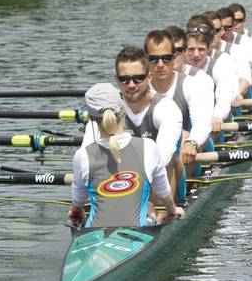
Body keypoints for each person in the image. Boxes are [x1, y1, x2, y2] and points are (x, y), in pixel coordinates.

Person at [69, 83, 182, 228]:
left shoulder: (82, 155)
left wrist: (76, 212)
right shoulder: (149, 147)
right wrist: (173, 210)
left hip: (93, 234)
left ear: (91, 117)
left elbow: (78, 200)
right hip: (138, 235)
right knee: (148, 207)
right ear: (122, 109)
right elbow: (163, 191)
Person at [145, 29, 213, 203]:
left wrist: (192, 142)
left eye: (166, 58)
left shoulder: (192, 84)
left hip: (184, 158)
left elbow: (203, 122)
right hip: (145, 162)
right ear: (146, 60)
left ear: (174, 57)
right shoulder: (136, 86)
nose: (160, 64)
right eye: (153, 59)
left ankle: (164, 208)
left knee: (179, 140)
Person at [183, 15, 240, 134]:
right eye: (191, 49)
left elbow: (224, 98)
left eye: (201, 49)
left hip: (212, 125)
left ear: (209, 48)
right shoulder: (176, 64)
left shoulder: (221, 64)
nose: (196, 55)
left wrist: (217, 116)